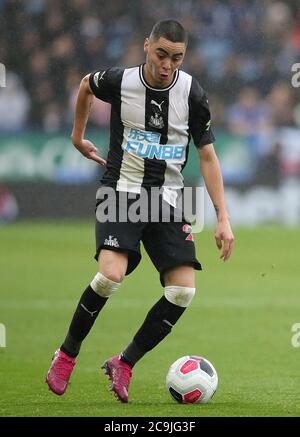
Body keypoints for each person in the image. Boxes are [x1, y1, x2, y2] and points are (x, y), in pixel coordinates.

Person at [46, 19, 234, 403]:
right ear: (147, 46)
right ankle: (67, 354)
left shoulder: (192, 93)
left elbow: (208, 155)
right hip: (122, 190)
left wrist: (223, 217)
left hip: (169, 198)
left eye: (176, 57)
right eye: (161, 53)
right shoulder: (120, 81)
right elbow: (85, 85)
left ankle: (124, 362)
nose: (167, 64)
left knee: (182, 291)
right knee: (111, 276)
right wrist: (77, 136)